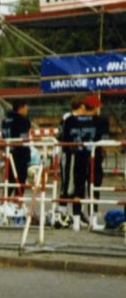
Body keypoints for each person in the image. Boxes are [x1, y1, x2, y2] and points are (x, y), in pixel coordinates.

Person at [58, 93, 108, 231]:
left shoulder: (70, 120)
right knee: (94, 189)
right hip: (95, 158)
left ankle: (76, 222)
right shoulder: (101, 121)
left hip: (78, 157)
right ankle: (93, 221)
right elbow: (104, 142)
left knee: (77, 190)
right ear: (95, 107)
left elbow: (65, 141)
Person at [0, 100, 31, 197]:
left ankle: (4, 204)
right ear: (21, 107)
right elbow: (24, 139)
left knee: (9, 182)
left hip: (9, 153)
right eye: (26, 107)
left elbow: (3, 136)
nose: (27, 109)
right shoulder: (22, 120)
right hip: (20, 155)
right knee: (20, 183)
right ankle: (17, 205)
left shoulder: (5, 120)